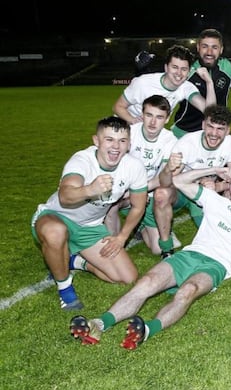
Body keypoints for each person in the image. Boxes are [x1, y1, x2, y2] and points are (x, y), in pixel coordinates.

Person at [69, 165, 231, 350]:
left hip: (216, 266)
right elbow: (177, 180)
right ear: (227, 183)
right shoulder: (214, 200)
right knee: (147, 282)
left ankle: (146, 330)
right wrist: (213, 171)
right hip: (189, 254)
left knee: (188, 290)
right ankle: (99, 324)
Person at [32, 117, 147, 310]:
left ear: (129, 144)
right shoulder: (82, 160)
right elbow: (65, 197)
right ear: (96, 141)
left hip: (90, 226)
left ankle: (74, 261)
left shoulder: (134, 167)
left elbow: (138, 206)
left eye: (122, 141)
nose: (116, 146)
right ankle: (65, 289)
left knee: (127, 278)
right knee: (55, 232)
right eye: (109, 139)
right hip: (57, 216)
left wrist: (121, 237)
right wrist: (90, 189)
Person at [149, 105, 231, 258]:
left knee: (219, 240)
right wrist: (208, 173)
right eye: (210, 127)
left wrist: (218, 185)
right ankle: (166, 249)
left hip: (206, 192)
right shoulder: (188, 142)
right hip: (183, 191)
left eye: (220, 129)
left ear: (228, 130)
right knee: (161, 194)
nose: (214, 133)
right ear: (203, 124)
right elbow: (172, 180)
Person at [105, 96, 179, 255]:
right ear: (142, 114)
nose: (153, 122)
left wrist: (141, 191)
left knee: (158, 249)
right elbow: (116, 165)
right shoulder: (130, 133)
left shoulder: (170, 140)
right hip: (126, 189)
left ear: (167, 119)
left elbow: (163, 178)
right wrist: (130, 190)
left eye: (159, 117)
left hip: (150, 192)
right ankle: (115, 247)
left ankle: (142, 225)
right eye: (149, 115)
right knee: (110, 205)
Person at [113, 45, 216, 125]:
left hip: (150, 132)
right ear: (166, 68)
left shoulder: (186, 87)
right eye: (175, 67)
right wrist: (133, 121)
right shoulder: (143, 83)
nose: (179, 73)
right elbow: (118, 107)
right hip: (124, 127)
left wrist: (209, 82)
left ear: (189, 72)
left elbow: (210, 112)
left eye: (184, 69)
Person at [172, 29, 231, 138]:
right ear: (198, 48)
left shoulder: (228, 66)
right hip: (184, 134)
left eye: (214, 47)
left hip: (215, 134)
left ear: (221, 50)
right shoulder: (187, 70)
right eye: (205, 46)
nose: (209, 52)